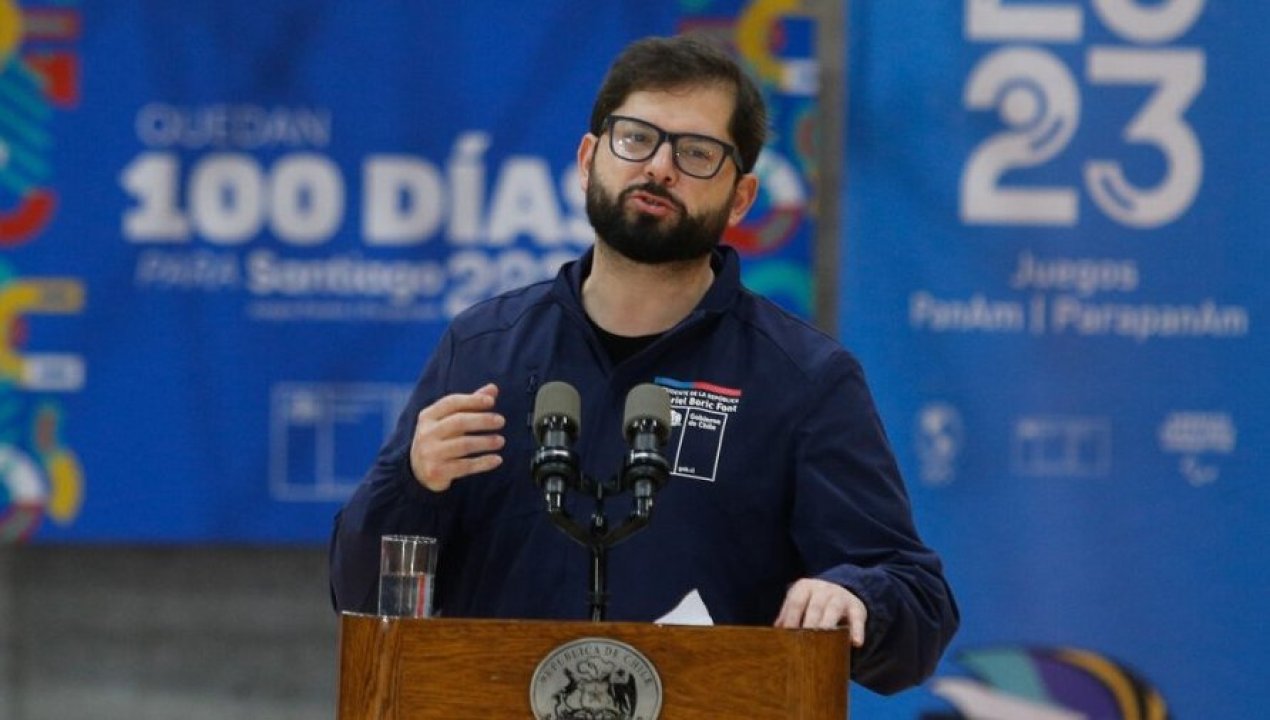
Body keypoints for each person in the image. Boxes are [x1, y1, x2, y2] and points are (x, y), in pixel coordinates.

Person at [330, 34, 958, 694]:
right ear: (588, 159)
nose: (660, 167)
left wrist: (855, 597)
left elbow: (918, 607)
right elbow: (357, 595)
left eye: (696, 153)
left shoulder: (804, 380)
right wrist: (411, 483)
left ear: (741, 199)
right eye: (636, 138)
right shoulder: (483, 348)